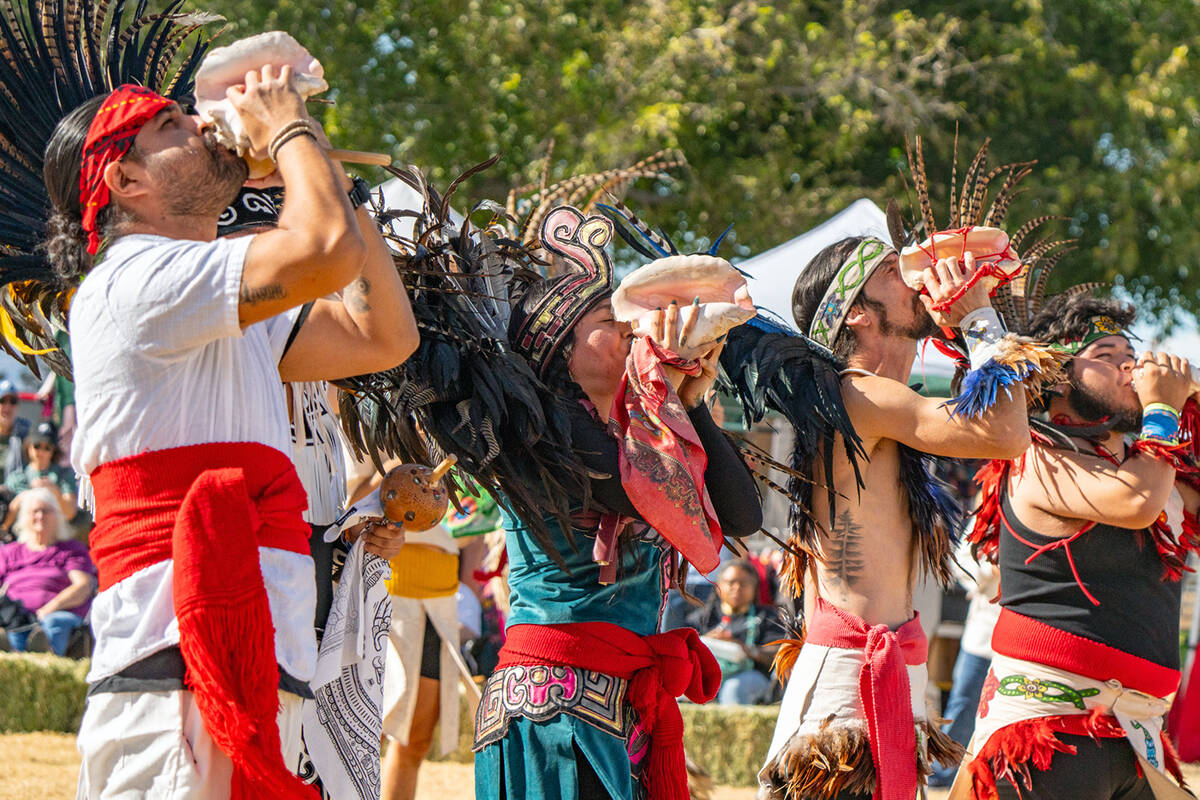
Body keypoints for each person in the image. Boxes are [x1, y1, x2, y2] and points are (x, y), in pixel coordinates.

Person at [29, 15, 417, 797]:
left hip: (249, 655)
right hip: (172, 671)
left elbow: (381, 336)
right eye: (170, 125)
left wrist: (329, 179)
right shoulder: (135, 278)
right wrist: (291, 135)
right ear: (124, 184)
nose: (201, 124)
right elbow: (323, 254)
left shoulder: (206, 290)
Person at [959, 287, 1199, 798]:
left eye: (1131, 358)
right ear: (1054, 376)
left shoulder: (1150, 461)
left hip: (1139, 738)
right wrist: (1163, 407)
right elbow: (1136, 503)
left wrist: (1187, 409)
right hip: (1045, 736)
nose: (1128, 369)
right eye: (1105, 357)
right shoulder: (1034, 457)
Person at [927, 539, 1000, 787]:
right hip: (982, 638)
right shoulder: (991, 518)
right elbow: (960, 560)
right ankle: (941, 775)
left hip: (1024, 646)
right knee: (963, 704)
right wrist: (990, 572)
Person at [0, 487, 94, 655]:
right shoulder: (9, 552)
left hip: (58, 614)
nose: (40, 516)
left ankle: (41, 660)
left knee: (52, 623)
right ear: (24, 518)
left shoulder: (71, 549)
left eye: (46, 511)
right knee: (13, 626)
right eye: (34, 511)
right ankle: (16, 659)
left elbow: (82, 586)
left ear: (58, 516)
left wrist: (49, 608)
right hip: (16, 617)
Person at [689, 559, 783, 705]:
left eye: (744, 584)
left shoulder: (768, 618)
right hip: (708, 674)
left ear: (754, 587)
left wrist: (745, 649)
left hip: (750, 676)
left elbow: (779, 653)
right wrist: (705, 641)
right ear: (719, 585)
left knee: (734, 689)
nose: (737, 588)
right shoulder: (703, 617)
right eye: (731, 583)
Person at [5, 421, 79, 522]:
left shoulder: (64, 476)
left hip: (56, 534)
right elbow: (5, 522)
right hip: (22, 534)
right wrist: (25, 496)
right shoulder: (16, 477)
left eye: (47, 448)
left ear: (54, 450)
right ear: (29, 447)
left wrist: (54, 491)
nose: (41, 452)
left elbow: (70, 514)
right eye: (37, 446)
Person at [0, 379, 30, 481]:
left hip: (14, 493)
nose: (7, 407)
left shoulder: (26, 434)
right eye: (2, 401)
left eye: (13, 402)